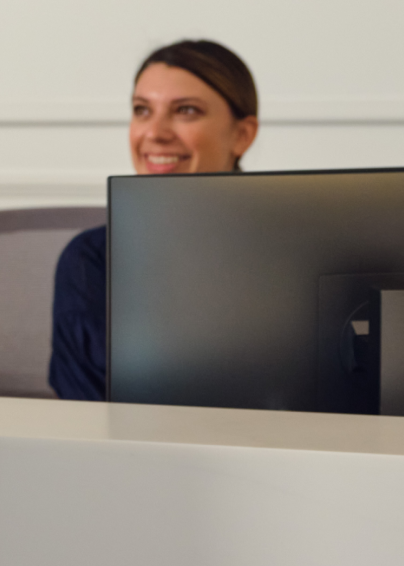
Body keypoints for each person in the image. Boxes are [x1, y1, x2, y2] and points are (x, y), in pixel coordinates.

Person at [48, 39, 260, 401]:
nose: (155, 133)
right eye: (142, 110)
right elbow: (87, 418)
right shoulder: (92, 260)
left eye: (187, 110)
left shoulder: (292, 252)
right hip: (131, 457)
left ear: (242, 135)